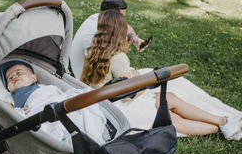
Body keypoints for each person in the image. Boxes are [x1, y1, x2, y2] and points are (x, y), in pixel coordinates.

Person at [80, 9, 242, 140]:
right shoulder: (118, 57)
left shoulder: (91, 51)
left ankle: (223, 122)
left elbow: (113, 83)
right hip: (117, 109)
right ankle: (223, 127)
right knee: (170, 118)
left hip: (103, 103)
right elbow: (128, 95)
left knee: (168, 98)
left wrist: (134, 77)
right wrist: (144, 83)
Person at [0, 60, 115, 146]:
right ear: (9, 88)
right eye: (10, 78)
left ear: (34, 78)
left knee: (79, 104)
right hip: (40, 113)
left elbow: (59, 94)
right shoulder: (11, 96)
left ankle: (89, 132)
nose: (14, 77)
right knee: (49, 124)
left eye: (19, 73)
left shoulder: (44, 87)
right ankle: (70, 137)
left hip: (57, 103)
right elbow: (6, 109)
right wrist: (14, 110)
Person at [70, 0, 146, 80]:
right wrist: (126, 46)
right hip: (91, 80)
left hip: (97, 76)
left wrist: (134, 38)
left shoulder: (100, 19)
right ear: (113, 17)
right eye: (121, 17)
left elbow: (127, 27)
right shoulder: (94, 36)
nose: (123, 20)